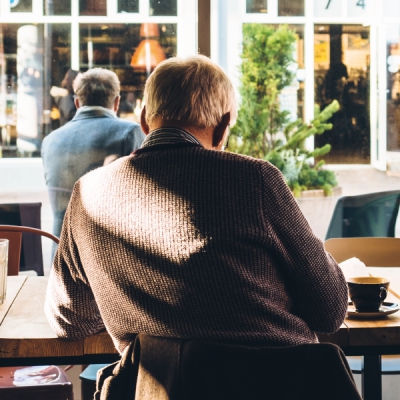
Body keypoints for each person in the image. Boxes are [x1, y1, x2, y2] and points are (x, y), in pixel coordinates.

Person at [45, 55, 348, 356]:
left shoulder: (88, 192)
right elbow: (330, 310)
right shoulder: (255, 180)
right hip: (280, 385)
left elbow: (69, 320)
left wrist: (129, 301)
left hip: (158, 389)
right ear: (223, 127)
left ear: (144, 119)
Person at [41, 68, 145, 239]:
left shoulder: (50, 140)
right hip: (107, 255)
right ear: (117, 102)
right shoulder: (129, 133)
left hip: (60, 254)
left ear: (77, 103)